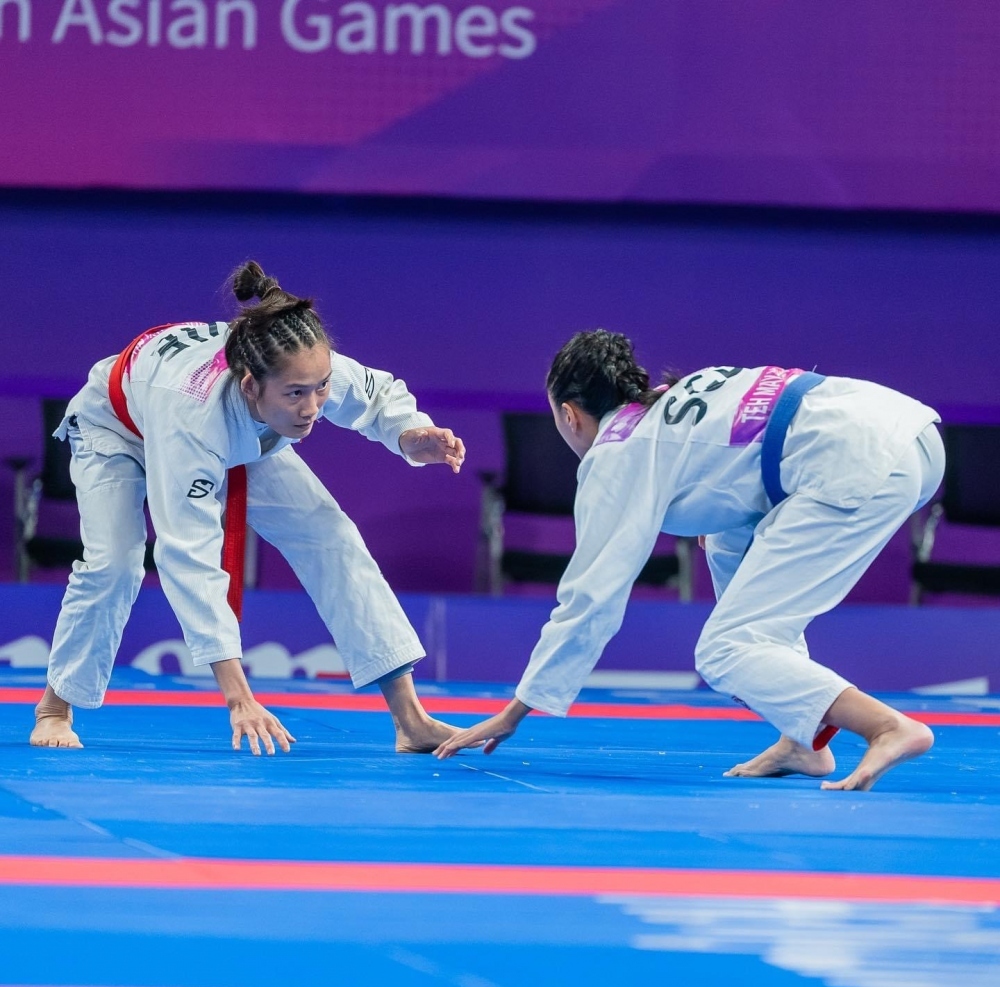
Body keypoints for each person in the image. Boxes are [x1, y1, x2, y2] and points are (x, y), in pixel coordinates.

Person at [435, 330, 944, 791]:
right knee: (724, 542)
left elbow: (590, 598)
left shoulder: (616, 451)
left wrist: (514, 712)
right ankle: (801, 738)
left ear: (569, 415)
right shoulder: (675, 399)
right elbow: (740, 461)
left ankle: (886, 727)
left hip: (860, 460)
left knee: (725, 649)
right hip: (907, 433)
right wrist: (715, 515)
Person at [31, 261, 466, 755]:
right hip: (117, 429)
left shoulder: (300, 360)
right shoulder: (194, 419)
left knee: (330, 534)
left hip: (242, 429)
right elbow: (189, 557)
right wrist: (240, 699)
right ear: (250, 386)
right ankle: (54, 706)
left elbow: (377, 394)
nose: (312, 407)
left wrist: (409, 434)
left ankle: (411, 720)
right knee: (115, 564)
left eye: (321, 388)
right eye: (296, 394)